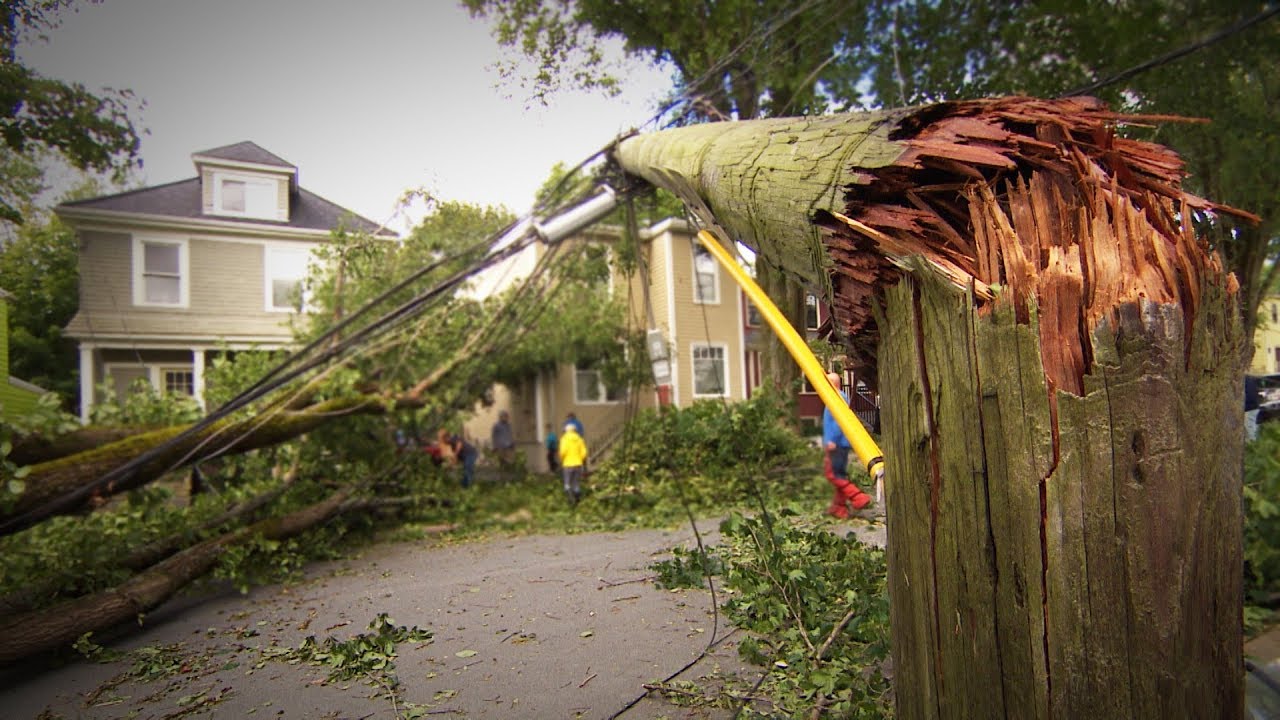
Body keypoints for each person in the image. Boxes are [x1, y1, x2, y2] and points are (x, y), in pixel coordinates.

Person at [822, 371, 873, 518]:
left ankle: (859, 497)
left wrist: (832, 441)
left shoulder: (836, 398)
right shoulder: (839, 397)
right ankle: (839, 508)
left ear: (832, 384)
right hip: (839, 443)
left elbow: (840, 421)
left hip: (836, 443)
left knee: (833, 475)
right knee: (838, 473)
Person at [558, 422, 587, 505]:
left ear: (566, 430)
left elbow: (563, 451)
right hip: (578, 464)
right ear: (575, 430)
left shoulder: (564, 439)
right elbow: (584, 452)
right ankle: (577, 499)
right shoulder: (580, 439)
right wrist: (580, 459)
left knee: (567, 483)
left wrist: (562, 459)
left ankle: (570, 499)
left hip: (567, 464)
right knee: (576, 483)